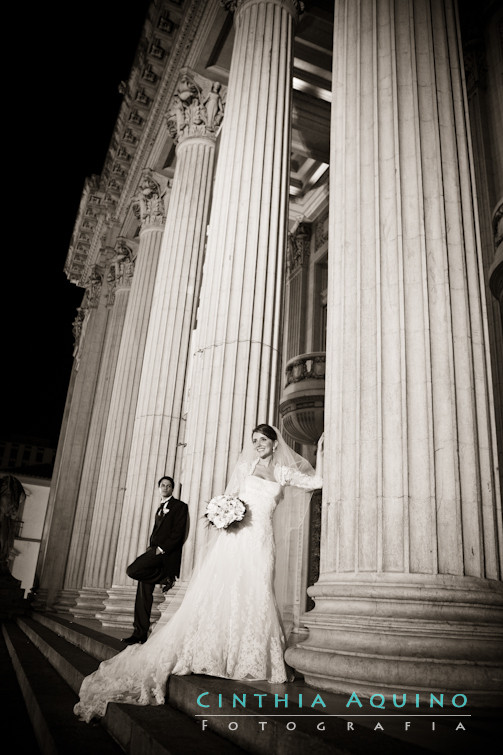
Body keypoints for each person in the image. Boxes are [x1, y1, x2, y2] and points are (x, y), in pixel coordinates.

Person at [74, 424, 323, 723]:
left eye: (262, 440)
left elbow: (315, 482)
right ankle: (216, 654)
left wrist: (321, 452)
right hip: (236, 539)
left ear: (274, 443)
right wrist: (224, 514)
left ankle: (249, 658)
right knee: (224, 591)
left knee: (257, 590)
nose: (257, 444)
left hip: (261, 541)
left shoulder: (283, 472)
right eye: (254, 440)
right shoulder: (246, 466)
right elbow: (229, 499)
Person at [121, 476, 188, 645]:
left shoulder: (179, 506)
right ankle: (139, 633)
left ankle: (166, 577)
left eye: (168, 486)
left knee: (132, 570)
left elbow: (178, 533)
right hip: (154, 550)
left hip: (163, 553)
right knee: (142, 592)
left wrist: (161, 548)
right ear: (159, 488)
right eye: (163, 485)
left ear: (173, 489)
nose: (165, 488)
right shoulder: (160, 507)